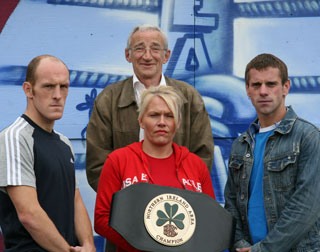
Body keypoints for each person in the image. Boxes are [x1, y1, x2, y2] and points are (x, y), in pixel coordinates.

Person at [86, 24, 214, 192]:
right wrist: (129, 200)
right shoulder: (108, 100)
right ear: (128, 55)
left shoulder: (189, 98)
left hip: (179, 207)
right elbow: (97, 165)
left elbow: (202, 158)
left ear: (166, 55)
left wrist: (178, 196)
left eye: (155, 49)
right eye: (139, 49)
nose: (147, 56)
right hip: (127, 209)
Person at [94, 85, 215, 252]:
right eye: (154, 115)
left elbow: (210, 220)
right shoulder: (118, 161)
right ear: (141, 121)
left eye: (169, 116)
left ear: (178, 123)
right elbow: (102, 219)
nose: (162, 122)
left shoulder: (195, 165)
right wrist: (143, 246)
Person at [224, 53, 320, 251]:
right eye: (256, 85)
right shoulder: (240, 146)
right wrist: (241, 245)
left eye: (271, 84)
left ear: (286, 87)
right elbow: (231, 203)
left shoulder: (308, 137)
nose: (263, 91)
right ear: (247, 90)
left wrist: (263, 249)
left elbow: (305, 208)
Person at [0, 55, 96, 252]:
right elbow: (29, 214)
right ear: (28, 90)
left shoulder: (64, 144)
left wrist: (88, 245)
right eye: (48, 86)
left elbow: (76, 200)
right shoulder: (14, 138)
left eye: (64, 86)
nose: (58, 95)